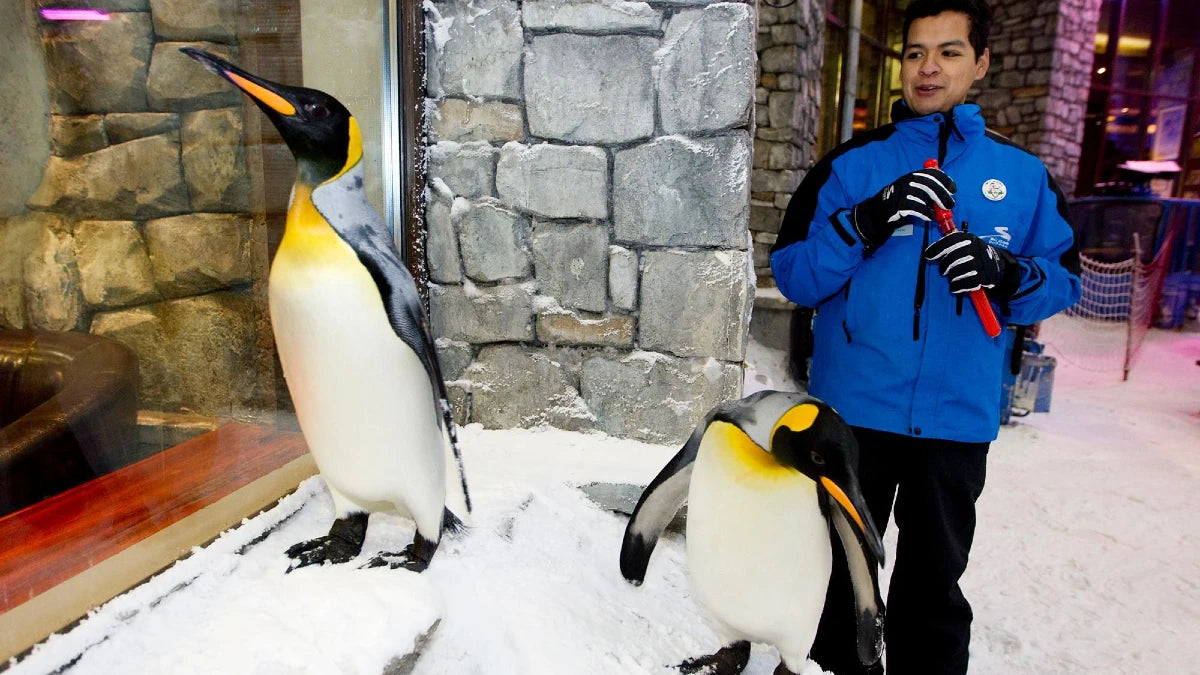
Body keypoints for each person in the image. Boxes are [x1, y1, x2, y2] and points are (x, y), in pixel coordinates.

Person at [769, 0, 1082, 673]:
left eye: (948, 51)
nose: (928, 67)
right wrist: (865, 222)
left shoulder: (1022, 178)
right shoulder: (851, 166)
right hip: (854, 416)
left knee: (931, 589)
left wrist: (1007, 271)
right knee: (835, 580)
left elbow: (1065, 278)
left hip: (955, 420)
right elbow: (793, 274)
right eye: (914, 52)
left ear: (981, 64)